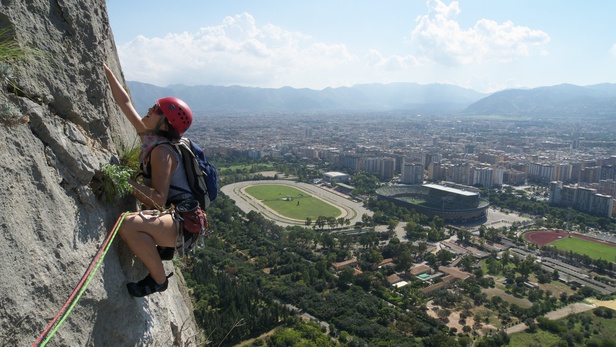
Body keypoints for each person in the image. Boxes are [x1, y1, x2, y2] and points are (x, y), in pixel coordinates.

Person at [103, 63, 195, 297]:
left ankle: (159, 280)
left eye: (156, 109)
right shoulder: (151, 137)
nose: (150, 109)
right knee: (130, 223)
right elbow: (124, 103)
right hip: (176, 218)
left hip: (182, 222)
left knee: (126, 224)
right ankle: (159, 247)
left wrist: (123, 179)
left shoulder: (162, 152)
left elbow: (157, 200)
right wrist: (106, 70)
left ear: (165, 124)